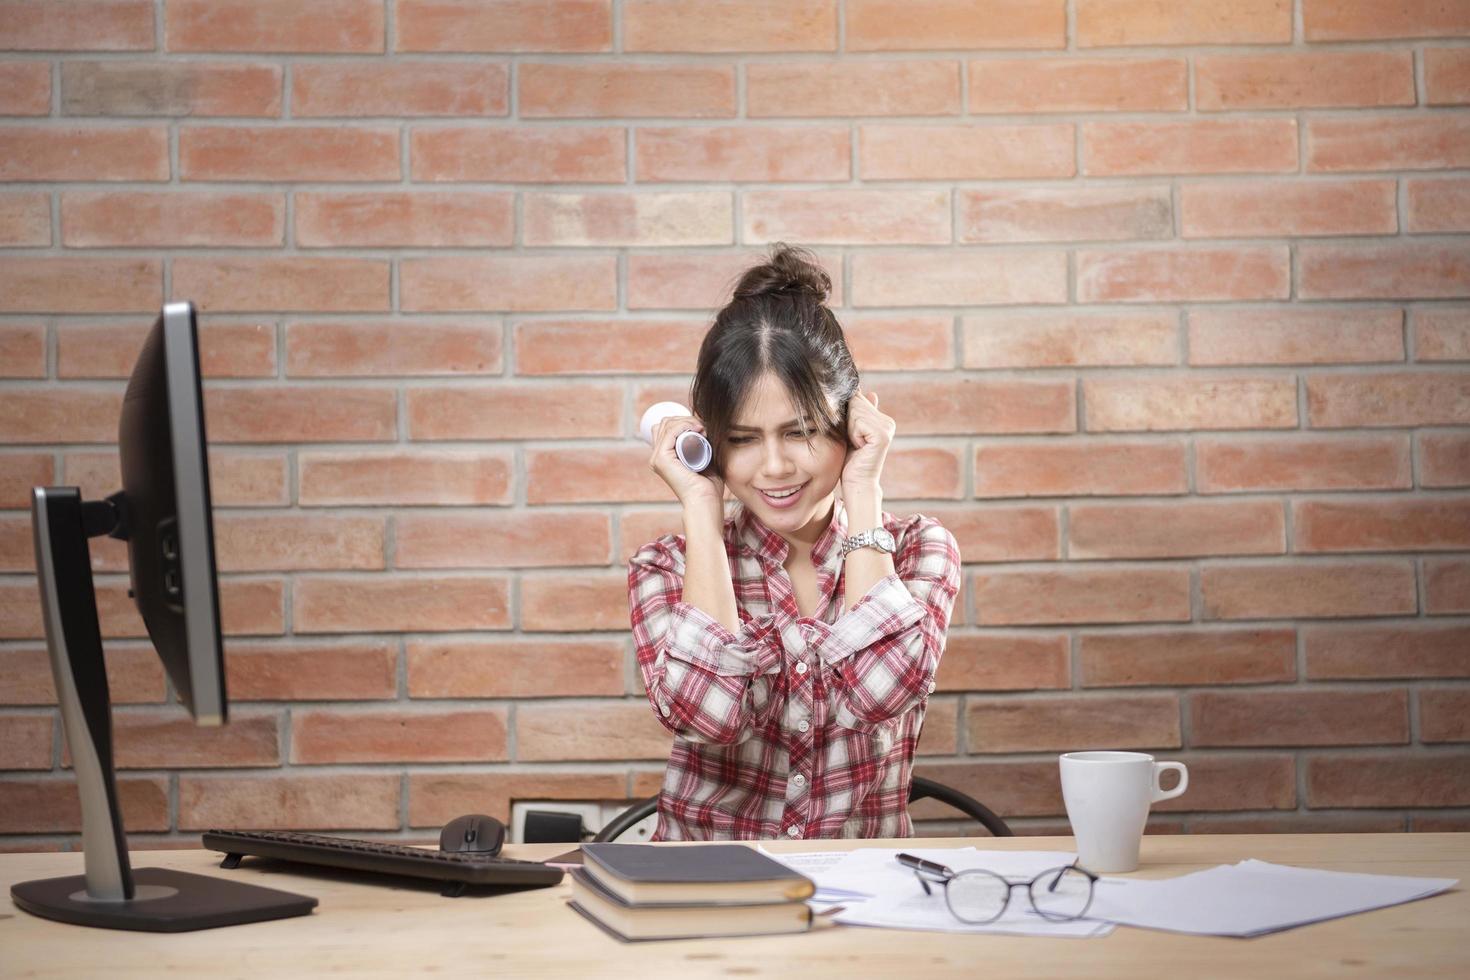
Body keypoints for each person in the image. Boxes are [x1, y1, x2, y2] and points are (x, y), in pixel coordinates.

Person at [628, 243, 961, 841]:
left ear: (852, 424)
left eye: (802, 431)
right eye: (743, 439)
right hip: (706, 895)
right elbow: (707, 717)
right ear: (711, 441)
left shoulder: (918, 551)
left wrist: (865, 489)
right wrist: (703, 507)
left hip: (863, 899)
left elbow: (879, 692)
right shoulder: (666, 567)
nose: (774, 467)